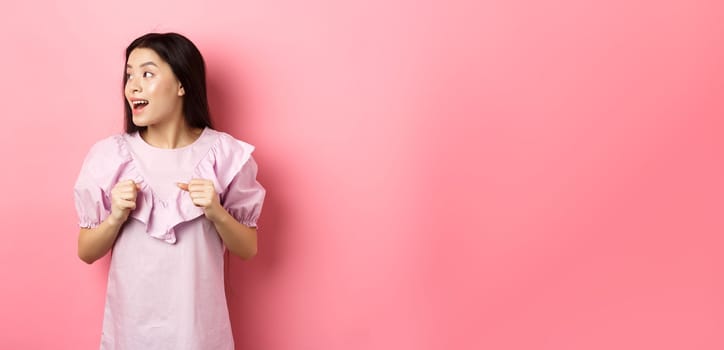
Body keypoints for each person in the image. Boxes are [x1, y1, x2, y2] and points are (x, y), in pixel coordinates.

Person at [73, 32, 265, 349]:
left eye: (147, 73)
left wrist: (216, 212)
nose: (132, 86)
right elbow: (86, 251)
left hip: (199, 334)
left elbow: (248, 248)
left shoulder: (225, 155)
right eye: (129, 75)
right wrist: (115, 217)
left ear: (181, 85)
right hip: (131, 332)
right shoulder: (109, 156)